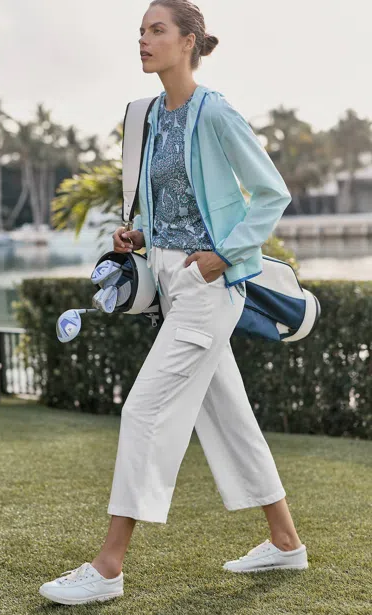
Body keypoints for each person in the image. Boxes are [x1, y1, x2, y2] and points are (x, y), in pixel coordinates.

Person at [39, 0, 308, 605]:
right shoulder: (150, 115)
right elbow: (175, 205)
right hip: (171, 283)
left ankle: (108, 566)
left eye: (156, 30)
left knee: (143, 411)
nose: (143, 39)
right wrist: (140, 235)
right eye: (140, 31)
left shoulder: (216, 112)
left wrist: (225, 255)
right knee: (231, 419)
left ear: (189, 41)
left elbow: (271, 193)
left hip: (209, 290)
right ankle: (286, 541)